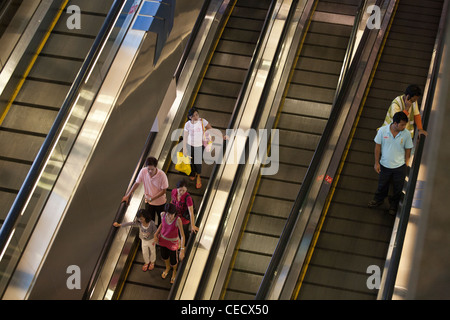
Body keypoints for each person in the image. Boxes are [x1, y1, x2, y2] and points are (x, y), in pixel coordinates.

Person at [368, 111, 414, 215]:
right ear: (395, 123)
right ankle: (378, 200)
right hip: (385, 165)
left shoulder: (406, 133)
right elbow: (377, 147)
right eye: (402, 124)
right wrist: (376, 163)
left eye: (405, 125)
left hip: (400, 166)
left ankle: (393, 205)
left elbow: (408, 149)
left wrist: (406, 163)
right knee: (382, 184)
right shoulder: (383, 131)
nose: (404, 127)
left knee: (398, 187)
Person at [183, 107, 226, 189]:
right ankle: (193, 173)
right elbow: (185, 136)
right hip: (190, 145)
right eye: (193, 116)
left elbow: (212, 129)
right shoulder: (187, 124)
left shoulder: (202, 121)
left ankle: (198, 176)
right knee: (190, 160)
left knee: (198, 162)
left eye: (197, 114)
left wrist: (222, 136)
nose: (196, 117)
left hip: (199, 145)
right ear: (189, 117)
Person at [122, 156, 168, 223]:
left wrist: (151, 199)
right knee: (149, 220)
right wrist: (128, 195)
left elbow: (163, 191)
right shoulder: (143, 171)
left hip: (160, 203)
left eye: (152, 169)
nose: (150, 171)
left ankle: (159, 233)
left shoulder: (162, 175)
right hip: (149, 202)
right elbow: (137, 183)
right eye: (148, 169)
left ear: (156, 167)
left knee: (162, 221)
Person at [154, 203, 185, 284]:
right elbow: (162, 224)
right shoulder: (162, 215)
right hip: (163, 240)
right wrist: (156, 234)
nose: (169, 216)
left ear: (175, 213)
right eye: (168, 214)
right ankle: (167, 268)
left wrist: (182, 249)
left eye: (171, 214)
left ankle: (174, 271)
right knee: (164, 256)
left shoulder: (177, 220)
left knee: (173, 260)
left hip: (173, 243)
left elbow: (182, 235)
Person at [171, 179, 199, 243]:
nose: (181, 192)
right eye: (180, 190)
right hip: (176, 217)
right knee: (177, 231)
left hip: (184, 220)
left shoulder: (188, 198)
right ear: (176, 188)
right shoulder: (173, 192)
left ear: (186, 189)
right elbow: (172, 202)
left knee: (184, 233)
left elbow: (191, 212)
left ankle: (185, 245)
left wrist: (192, 225)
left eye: (183, 190)